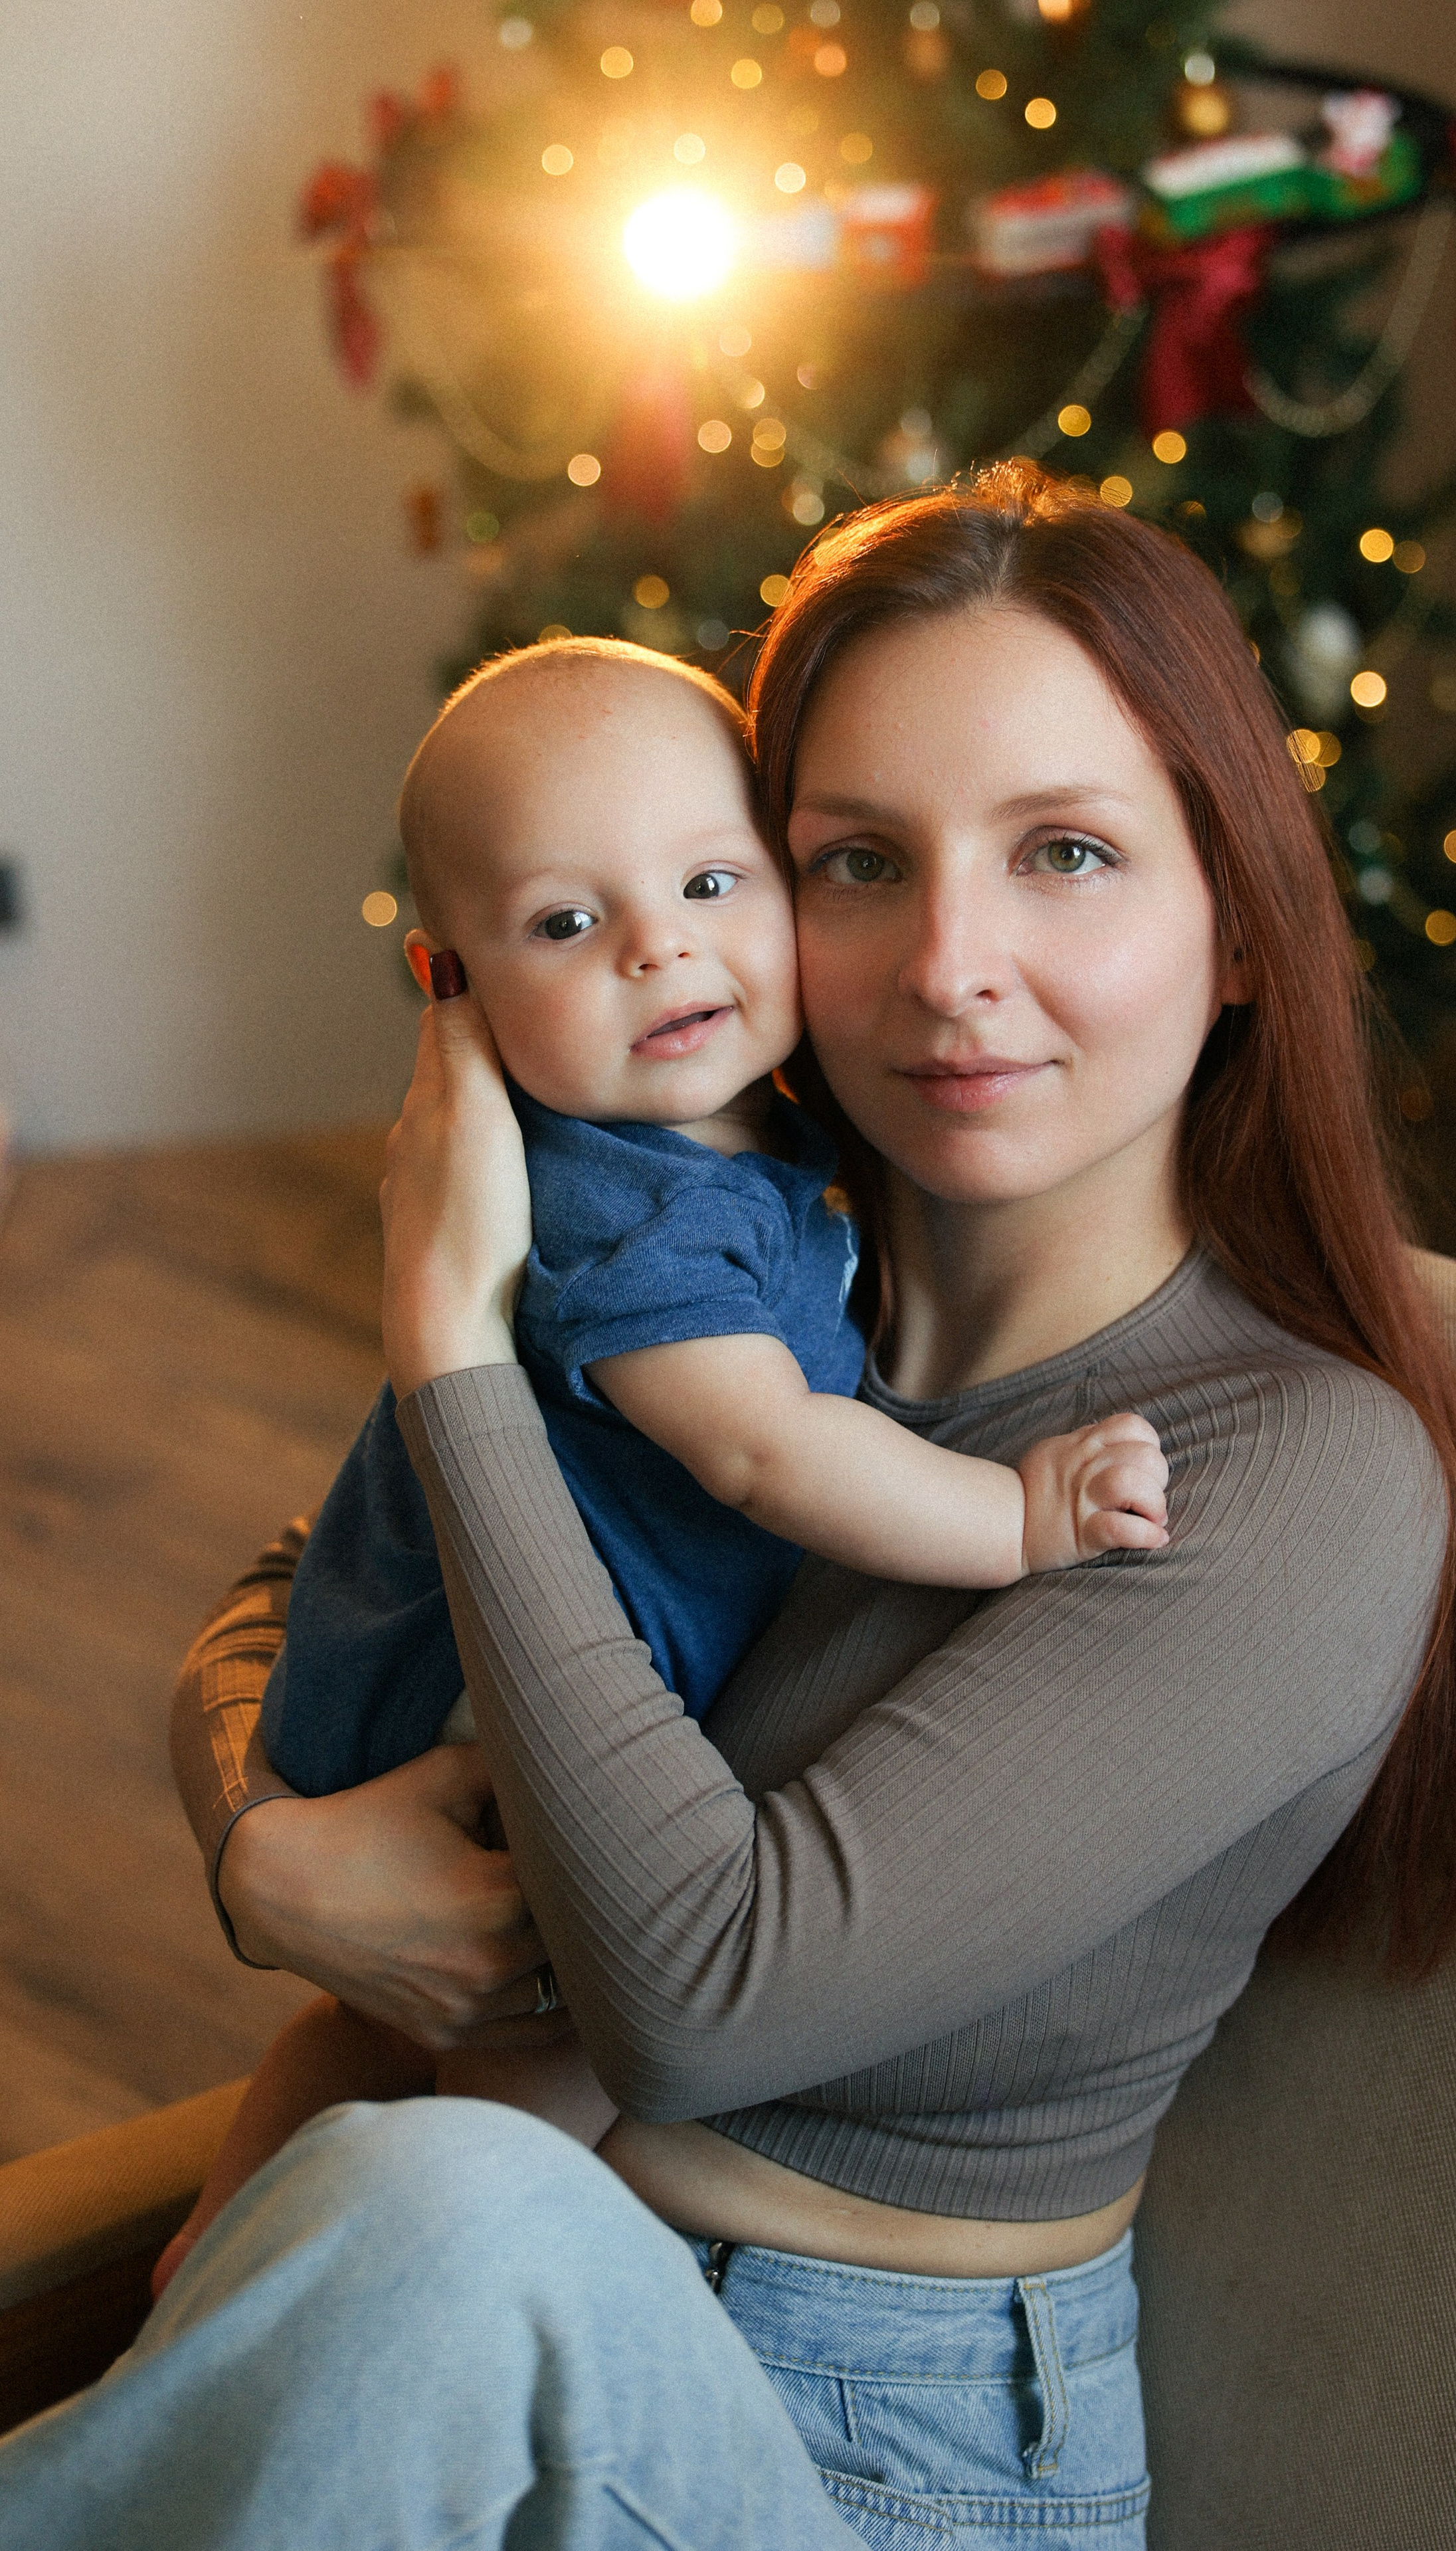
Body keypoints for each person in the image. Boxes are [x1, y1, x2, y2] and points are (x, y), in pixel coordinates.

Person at [0, 464, 1456, 2550]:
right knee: (429, 2214)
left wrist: (453, 1338)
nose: (948, 965)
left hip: (861, 2449)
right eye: (854, 862)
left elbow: (696, 1997)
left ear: (1244, 925)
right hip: (443, 2330)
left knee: (451, 2205)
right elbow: (312, 1592)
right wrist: (264, 1848)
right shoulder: (757, 1253)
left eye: (1068, 854)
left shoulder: (1290, 1478)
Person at [159, 632, 1167, 2292]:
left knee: (362, 2031)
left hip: (429, 1653)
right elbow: (768, 1452)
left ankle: (226, 2235)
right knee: (547, 2038)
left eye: (712, 881)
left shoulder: (747, 1134)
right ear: (452, 985)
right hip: (495, 1703)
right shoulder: (626, 1215)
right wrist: (1020, 1511)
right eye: (568, 922)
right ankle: (401, 2274)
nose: (659, 951)